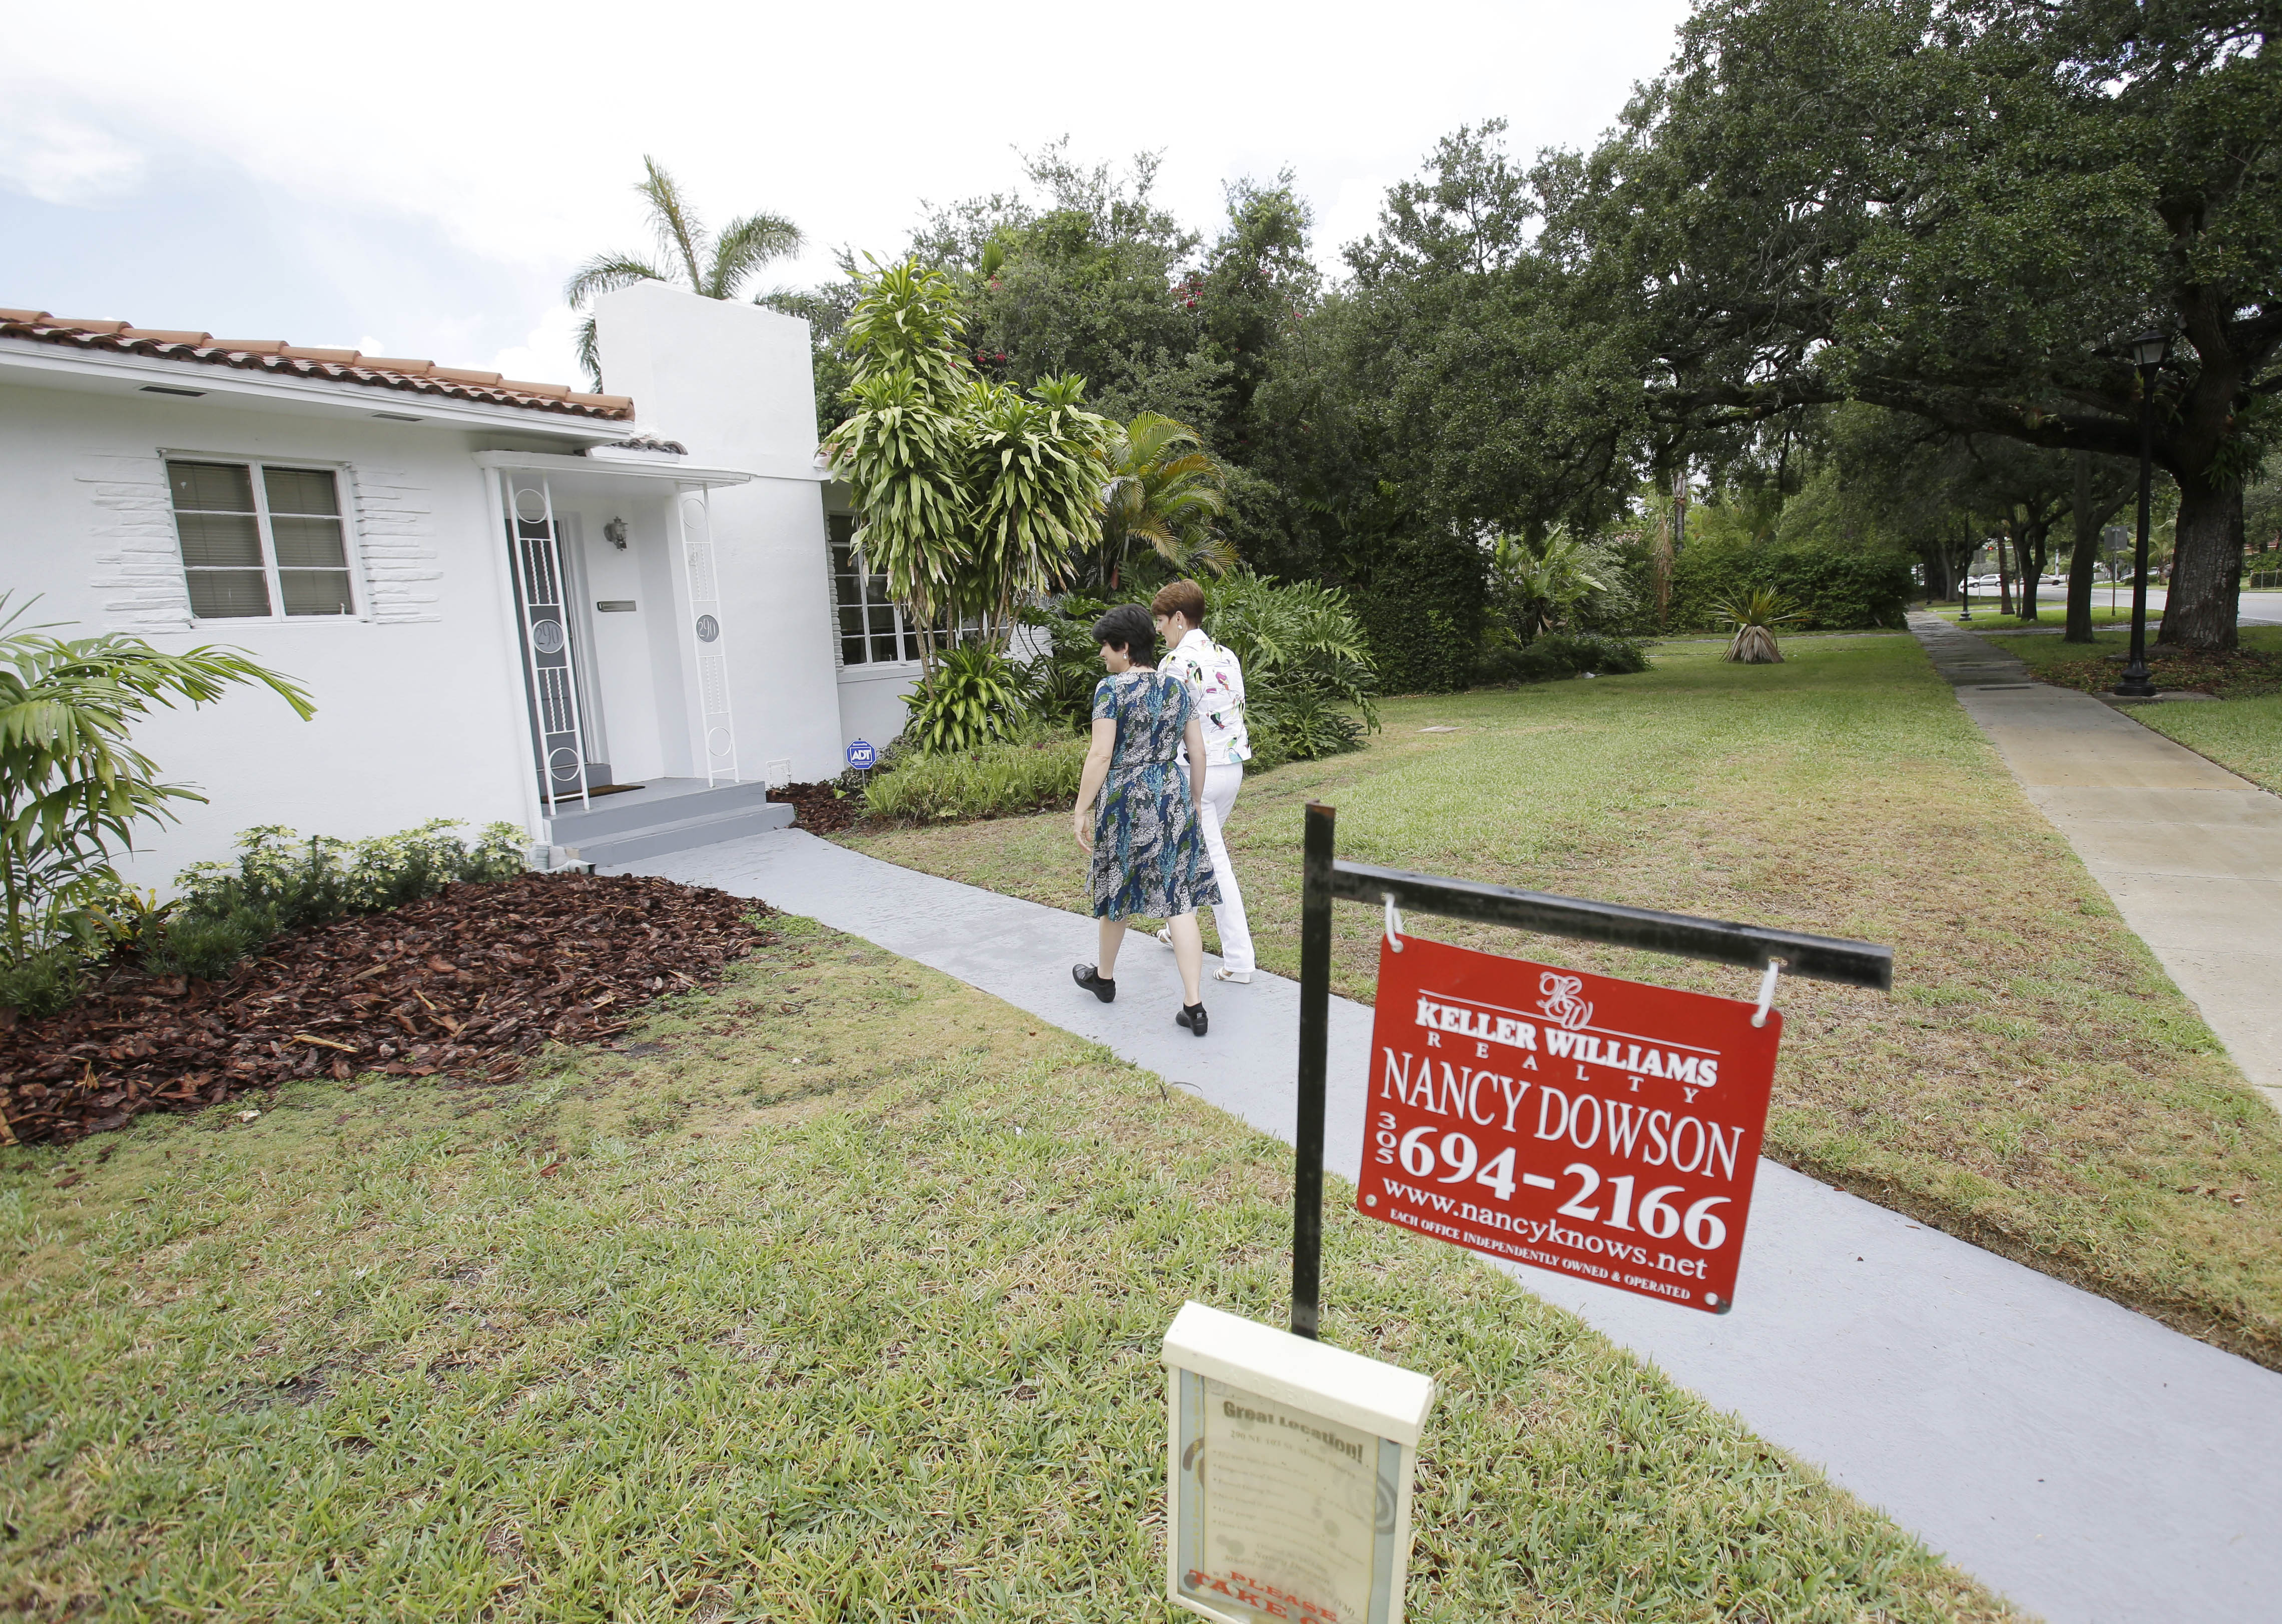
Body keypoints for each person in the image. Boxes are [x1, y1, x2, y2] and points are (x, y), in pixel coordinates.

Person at [1070, 603, 1220, 1036]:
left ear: (1126, 647)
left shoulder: (1110, 690)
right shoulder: (1178, 690)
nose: (1102, 654)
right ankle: (1194, 1004)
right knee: (1178, 898)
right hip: (1170, 791)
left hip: (1124, 798)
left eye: (1106, 646)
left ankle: (1105, 978)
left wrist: (1081, 808)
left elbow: (1101, 754)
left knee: (1117, 884)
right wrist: (1192, 799)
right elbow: (1199, 752)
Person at [1150, 579, 1254, 984]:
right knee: (1192, 855)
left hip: (1197, 774)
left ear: (1179, 618)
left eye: (1161, 621)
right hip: (1233, 768)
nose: (1159, 630)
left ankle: (1241, 961)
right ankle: (1180, 931)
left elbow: (1166, 725)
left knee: (1213, 863)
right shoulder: (1227, 655)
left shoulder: (1174, 663)